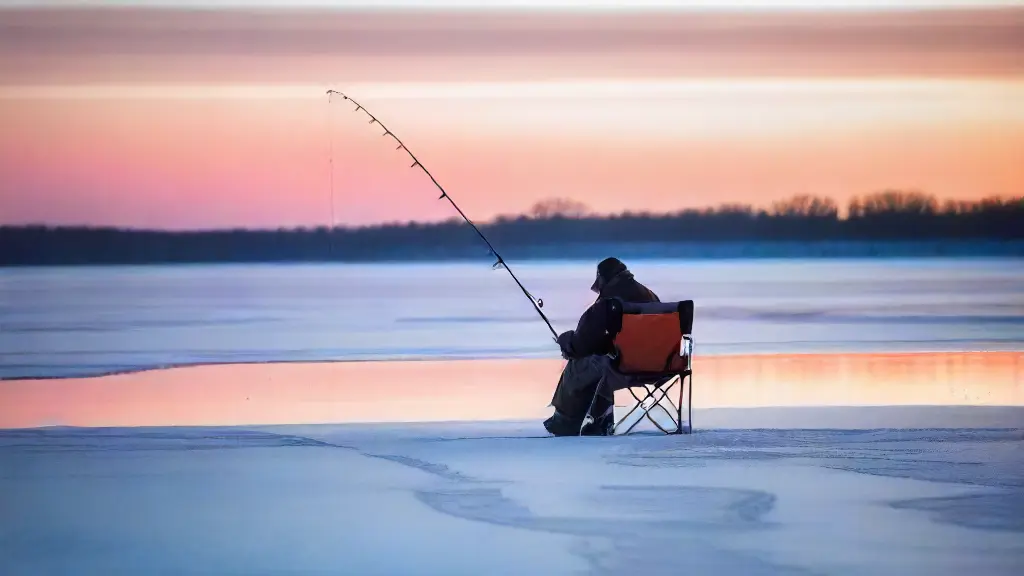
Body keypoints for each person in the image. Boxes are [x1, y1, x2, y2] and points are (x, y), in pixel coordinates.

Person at [544, 257, 660, 436]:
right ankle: (600, 416)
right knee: (602, 361)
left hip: (624, 367)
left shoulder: (609, 303)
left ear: (603, 279)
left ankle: (566, 422)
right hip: (661, 366)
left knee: (579, 364)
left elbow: (582, 344)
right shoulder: (650, 297)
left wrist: (566, 342)